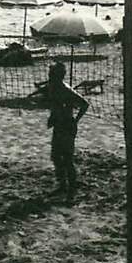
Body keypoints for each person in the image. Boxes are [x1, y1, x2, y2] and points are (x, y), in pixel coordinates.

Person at [46, 62, 89, 202]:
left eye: (52, 74)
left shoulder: (65, 89)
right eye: (50, 74)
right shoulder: (53, 87)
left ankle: (72, 189)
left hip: (66, 126)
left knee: (67, 159)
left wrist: (75, 120)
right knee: (56, 156)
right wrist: (52, 117)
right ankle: (62, 184)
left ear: (58, 76)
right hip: (58, 126)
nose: (49, 76)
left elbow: (85, 104)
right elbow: (55, 106)